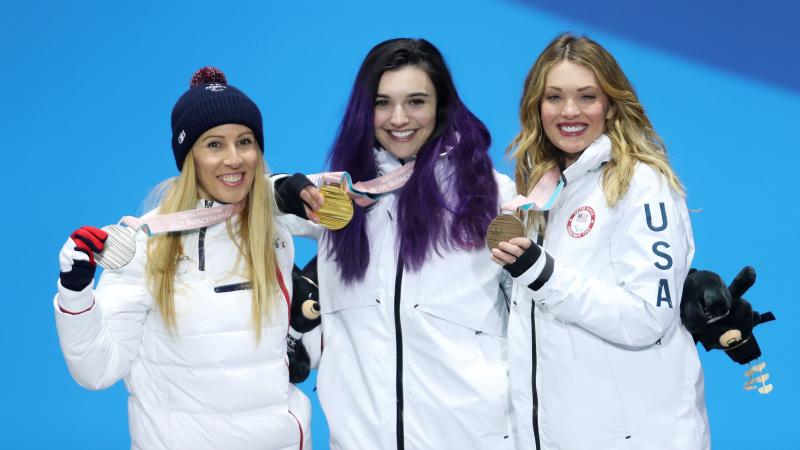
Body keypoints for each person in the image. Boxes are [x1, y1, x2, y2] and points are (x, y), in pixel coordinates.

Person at [54, 67, 311, 450]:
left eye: (245, 141)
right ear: (188, 155)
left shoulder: (272, 233)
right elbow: (98, 369)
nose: (234, 158)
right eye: (214, 144)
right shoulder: (147, 243)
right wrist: (75, 294)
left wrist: (290, 186)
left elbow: (359, 207)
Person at [291, 38, 518, 449]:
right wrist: (283, 189)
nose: (399, 118)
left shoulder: (491, 197)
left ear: (441, 106)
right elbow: (237, 200)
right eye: (382, 103)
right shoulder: (338, 199)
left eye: (416, 101)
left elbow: (533, 323)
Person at [492, 33, 710, 450]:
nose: (569, 111)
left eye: (586, 96)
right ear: (536, 107)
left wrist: (543, 274)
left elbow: (648, 316)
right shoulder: (539, 191)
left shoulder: (641, 184)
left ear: (610, 104)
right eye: (554, 97)